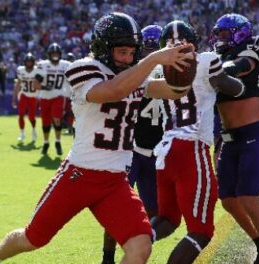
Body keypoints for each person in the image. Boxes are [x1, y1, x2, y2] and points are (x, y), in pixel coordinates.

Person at [0, 12, 194, 264]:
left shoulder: (135, 73)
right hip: (79, 174)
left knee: (140, 246)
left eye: (131, 52)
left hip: (115, 180)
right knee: (33, 238)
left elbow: (173, 92)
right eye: (121, 52)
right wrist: (154, 59)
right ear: (104, 48)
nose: (127, 58)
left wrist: (185, 66)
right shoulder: (82, 68)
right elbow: (113, 90)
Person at [151, 20, 245, 264]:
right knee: (201, 231)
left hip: (165, 151)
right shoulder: (206, 60)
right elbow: (231, 88)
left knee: (167, 220)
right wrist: (230, 70)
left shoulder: (161, 67)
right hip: (191, 147)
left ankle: (135, 240)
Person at [211, 13, 259, 263]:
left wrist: (216, 70)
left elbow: (241, 66)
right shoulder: (218, 59)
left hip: (252, 135)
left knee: (248, 199)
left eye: (224, 34)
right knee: (229, 201)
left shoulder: (249, 51)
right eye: (218, 34)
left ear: (239, 33)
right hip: (229, 139)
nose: (220, 39)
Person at [100, 24, 164, 264]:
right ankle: (108, 257)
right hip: (130, 149)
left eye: (153, 47)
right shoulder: (134, 72)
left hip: (156, 151)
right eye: (145, 47)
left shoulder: (166, 72)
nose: (148, 52)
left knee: (154, 211)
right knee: (116, 208)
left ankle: (134, 248)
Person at [36, 43, 71, 155]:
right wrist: (44, 86)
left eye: (57, 53)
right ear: (49, 54)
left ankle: (57, 141)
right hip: (45, 97)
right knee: (45, 123)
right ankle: (46, 142)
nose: (55, 55)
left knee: (57, 118)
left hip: (58, 96)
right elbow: (35, 84)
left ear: (60, 54)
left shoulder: (65, 65)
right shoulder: (43, 65)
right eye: (53, 53)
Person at [12, 53, 41, 143]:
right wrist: (14, 98)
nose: (29, 63)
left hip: (33, 96)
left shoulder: (37, 71)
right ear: (25, 62)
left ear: (33, 62)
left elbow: (41, 84)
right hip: (24, 95)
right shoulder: (21, 70)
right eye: (27, 61)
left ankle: (33, 130)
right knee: (20, 114)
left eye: (30, 61)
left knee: (31, 117)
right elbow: (18, 84)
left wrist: (40, 97)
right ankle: (22, 133)